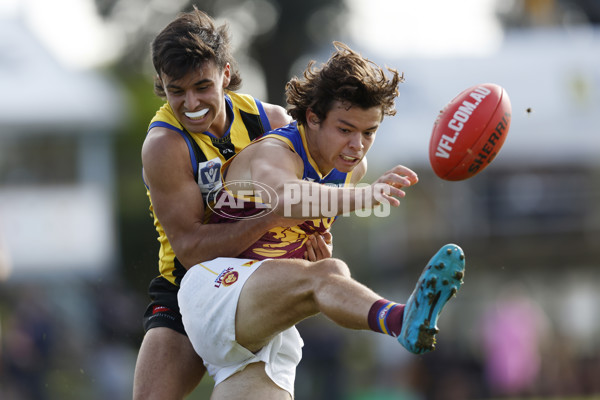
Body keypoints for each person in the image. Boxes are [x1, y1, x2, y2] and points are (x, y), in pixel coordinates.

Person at [178, 42, 466, 399]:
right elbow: (287, 197)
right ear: (313, 117)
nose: (357, 146)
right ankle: (399, 319)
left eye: (369, 132)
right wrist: (363, 197)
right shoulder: (276, 152)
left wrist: (305, 254)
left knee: (323, 270)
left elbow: (293, 239)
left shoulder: (350, 169)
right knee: (330, 273)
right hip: (214, 293)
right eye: (345, 130)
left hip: (261, 331)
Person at [133, 7, 331, 400]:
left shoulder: (270, 121)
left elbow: (309, 203)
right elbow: (189, 249)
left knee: (328, 274)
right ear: (162, 84)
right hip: (184, 285)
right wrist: (273, 215)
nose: (190, 103)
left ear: (225, 73)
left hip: (256, 278)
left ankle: (394, 317)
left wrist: (313, 242)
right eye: (177, 91)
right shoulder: (164, 146)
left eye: (202, 87)